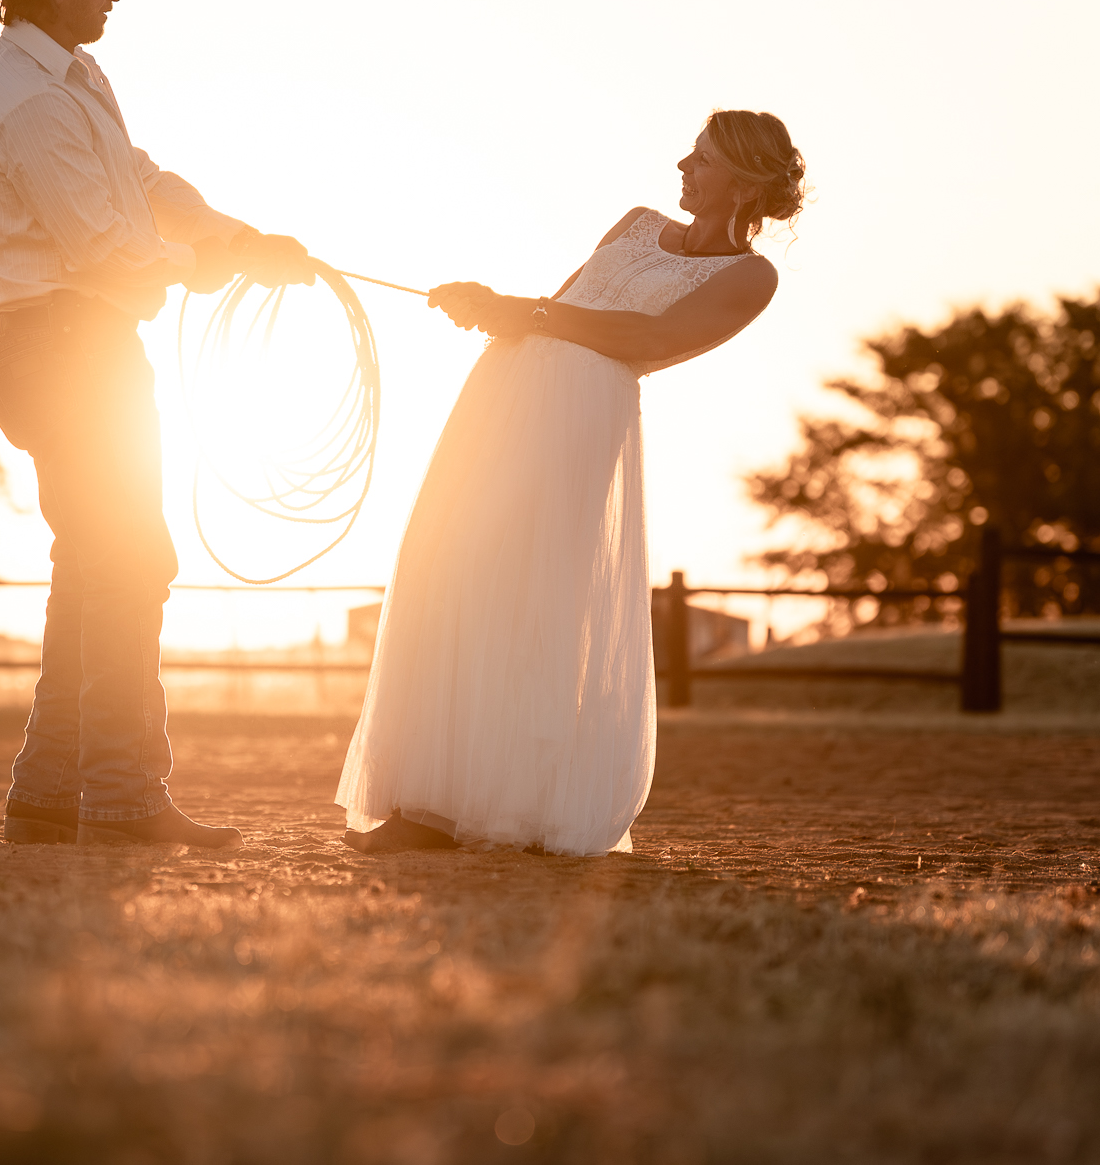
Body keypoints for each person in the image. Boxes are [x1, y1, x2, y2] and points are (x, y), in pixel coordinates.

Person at [334, 110, 805, 856]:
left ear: (745, 184)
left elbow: (647, 340)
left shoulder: (751, 276)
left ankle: (507, 804)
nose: (682, 164)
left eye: (703, 158)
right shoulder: (633, 223)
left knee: (530, 595)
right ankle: (424, 799)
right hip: (506, 392)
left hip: (582, 419)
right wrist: (488, 309)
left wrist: (524, 311)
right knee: (449, 570)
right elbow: (559, 311)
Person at [0, 0, 310, 850]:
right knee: (128, 561)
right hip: (67, 345)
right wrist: (209, 264)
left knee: (97, 564)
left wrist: (237, 236)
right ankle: (119, 795)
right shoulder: (34, 100)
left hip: (71, 345)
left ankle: (50, 789)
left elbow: (139, 183)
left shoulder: (66, 79)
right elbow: (108, 248)